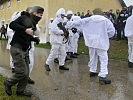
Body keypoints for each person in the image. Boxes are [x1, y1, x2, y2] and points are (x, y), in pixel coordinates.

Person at [67, 8, 115, 85]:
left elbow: (77, 23)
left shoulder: (88, 19)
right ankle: (102, 76)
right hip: (101, 42)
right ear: (101, 13)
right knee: (103, 59)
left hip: (91, 41)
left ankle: (92, 71)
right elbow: (112, 32)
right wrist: (105, 36)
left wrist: (68, 24)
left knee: (93, 56)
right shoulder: (106, 20)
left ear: (93, 13)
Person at [4, 6, 44, 97]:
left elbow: (26, 35)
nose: (40, 17)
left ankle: (20, 91)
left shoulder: (32, 22)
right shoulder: (24, 18)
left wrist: (34, 39)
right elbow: (12, 25)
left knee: (26, 73)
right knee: (22, 72)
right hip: (17, 49)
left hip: (24, 50)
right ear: (34, 13)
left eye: (41, 15)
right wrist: (25, 29)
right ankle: (8, 83)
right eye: (39, 14)